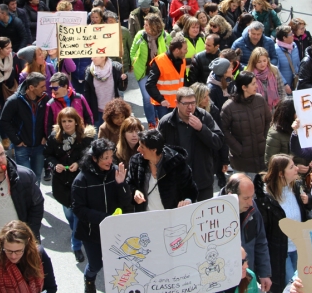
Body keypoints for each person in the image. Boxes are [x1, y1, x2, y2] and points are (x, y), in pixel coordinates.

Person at [71, 138, 133, 293]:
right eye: (105, 158)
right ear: (94, 158)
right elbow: (78, 209)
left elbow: (126, 201)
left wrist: (121, 184)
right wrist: (104, 218)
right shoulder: (81, 179)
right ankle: (89, 279)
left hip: (114, 230)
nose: (109, 161)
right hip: (91, 232)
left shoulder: (115, 173)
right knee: (96, 264)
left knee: (117, 262)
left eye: (111, 156)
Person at [44, 107, 96, 263]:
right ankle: (76, 231)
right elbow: (47, 155)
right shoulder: (54, 137)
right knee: (70, 215)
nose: (67, 125)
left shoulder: (85, 138)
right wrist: (55, 165)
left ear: (76, 122)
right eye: (64, 121)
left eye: (70, 121)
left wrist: (79, 164)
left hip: (80, 182)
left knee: (77, 215)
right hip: (62, 183)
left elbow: (90, 156)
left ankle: (76, 245)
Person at [254, 155, 312, 292]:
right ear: (281, 174)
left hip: (299, 248)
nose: (296, 168)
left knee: (301, 285)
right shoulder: (266, 198)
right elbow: (263, 230)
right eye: (291, 167)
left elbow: (306, 213)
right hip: (281, 251)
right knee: (290, 286)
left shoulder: (297, 187)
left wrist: (308, 201)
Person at [156, 86, 224, 201]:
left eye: (193, 103)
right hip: (177, 183)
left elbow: (218, 142)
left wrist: (202, 129)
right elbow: (158, 150)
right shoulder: (166, 123)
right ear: (177, 103)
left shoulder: (204, 117)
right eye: (186, 104)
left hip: (202, 181)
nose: (190, 107)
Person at [0, 220, 58, 293]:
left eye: (18, 251)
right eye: (8, 251)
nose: (13, 256)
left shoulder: (39, 255)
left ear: (27, 243)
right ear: (2, 243)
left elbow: (51, 287)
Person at [222, 173, 272, 292]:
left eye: (252, 197)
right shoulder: (213, 211)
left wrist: (265, 273)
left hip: (247, 277)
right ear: (231, 196)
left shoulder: (252, 208)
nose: (250, 203)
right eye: (246, 198)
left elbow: (260, 241)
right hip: (224, 282)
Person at [127, 128, 198, 211]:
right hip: (146, 218)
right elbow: (129, 183)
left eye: (142, 147)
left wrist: (187, 201)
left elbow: (191, 190)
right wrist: (135, 192)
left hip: (171, 218)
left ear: (154, 150)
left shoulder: (176, 163)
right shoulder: (135, 162)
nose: (138, 149)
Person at [0, 72, 50, 185]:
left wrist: (46, 136)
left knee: (37, 176)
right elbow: (4, 121)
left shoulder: (45, 99)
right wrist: (16, 140)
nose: (45, 88)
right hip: (22, 147)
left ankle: (35, 200)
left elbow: (49, 120)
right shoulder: (14, 101)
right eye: (42, 86)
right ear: (31, 87)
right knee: (25, 178)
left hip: (39, 146)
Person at [221, 72, 272, 177]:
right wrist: (239, 149)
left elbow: (268, 120)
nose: (257, 86)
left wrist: (265, 139)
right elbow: (223, 131)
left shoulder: (260, 100)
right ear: (244, 87)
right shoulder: (229, 107)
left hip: (263, 158)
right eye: (253, 84)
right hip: (242, 162)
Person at [0, 37, 25, 147]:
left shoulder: (14, 57)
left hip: (12, 91)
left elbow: (19, 74)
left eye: (11, 48)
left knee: (15, 116)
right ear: (0, 49)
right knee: (1, 117)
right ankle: (4, 137)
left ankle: (14, 138)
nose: (10, 50)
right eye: (7, 48)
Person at [146, 33, 188, 121]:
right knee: (165, 130)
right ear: (177, 50)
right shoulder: (159, 61)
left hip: (178, 103)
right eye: (185, 49)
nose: (186, 51)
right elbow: (149, 84)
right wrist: (161, 100)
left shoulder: (183, 60)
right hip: (163, 105)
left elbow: (184, 81)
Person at [46, 71, 95, 136]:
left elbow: (89, 117)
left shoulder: (79, 98)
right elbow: (48, 127)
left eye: (55, 88)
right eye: (51, 88)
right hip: (61, 140)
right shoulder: (50, 104)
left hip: (80, 137)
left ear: (65, 86)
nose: (52, 91)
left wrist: (88, 134)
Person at [85, 56, 128, 127]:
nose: (92, 58)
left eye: (95, 56)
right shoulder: (89, 71)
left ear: (103, 57)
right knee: (98, 135)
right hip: (97, 112)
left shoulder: (115, 68)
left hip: (113, 111)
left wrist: (124, 79)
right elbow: (87, 93)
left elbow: (122, 88)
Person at [275, 26, 300, 91]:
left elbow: (298, 63)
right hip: (285, 86)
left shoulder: (294, 46)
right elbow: (276, 70)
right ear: (284, 38)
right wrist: (284, 84)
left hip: (295, 83)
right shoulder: (275, 50)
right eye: (291, 34)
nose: (293, 35)